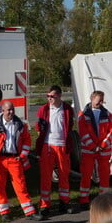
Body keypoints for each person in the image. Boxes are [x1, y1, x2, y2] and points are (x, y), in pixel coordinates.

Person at [0, 100, 41, 220]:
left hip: (14, 159)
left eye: (12, 110)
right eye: (8, 110)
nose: (11, 112)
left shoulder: (21, 124)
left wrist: (22, 156)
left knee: (20, 185)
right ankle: (4, 211)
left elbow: (27, 141)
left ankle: (29, 212)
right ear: (3, 111)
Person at [34, 85, 76, 215]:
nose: (49, 98)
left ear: (59, 96)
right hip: (48, 145)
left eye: (52, 96)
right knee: (46, 176)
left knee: (64, 174)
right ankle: (45, 205)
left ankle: (64, 202)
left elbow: (69, 126)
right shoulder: (44, 109)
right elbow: (38, 126)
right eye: (48, 96)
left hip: (62, 145)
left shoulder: (67, 109)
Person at [76, 90, 112, 211]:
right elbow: (83, 132)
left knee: (105, 175)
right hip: (89, 150)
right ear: (92, 99)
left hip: (103, 150)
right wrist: (93, 146)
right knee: (86, 174)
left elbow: (111, 131)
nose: (100, 104)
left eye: (101, 101)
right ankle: (84, 199)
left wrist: (103, 145)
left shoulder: (107, 114)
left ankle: (104, 198)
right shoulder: (83, 114)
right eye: (98, 102)